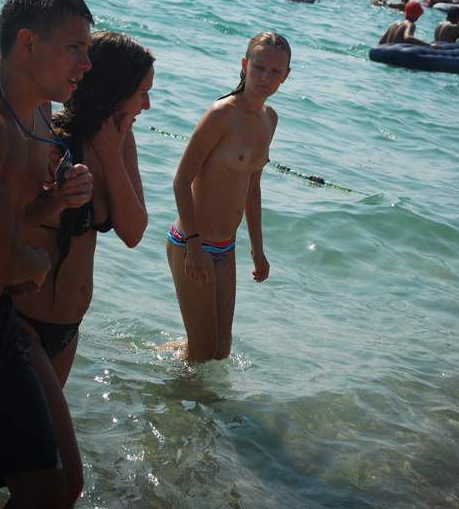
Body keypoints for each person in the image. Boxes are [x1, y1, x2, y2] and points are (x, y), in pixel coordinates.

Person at [0, 0, 94, 507]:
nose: (86, 64)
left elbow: (12, 219)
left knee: (53, 487)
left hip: (4, 317)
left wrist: (56, 200)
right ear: (28, 43)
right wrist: (30, 263)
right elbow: (7, 256)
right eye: (75, 48)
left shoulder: (36, 118)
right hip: (9, 315)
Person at [15, 30, 153, 388]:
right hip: (22, 320)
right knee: (47, 424)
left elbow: (134, 232)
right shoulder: (50, 141)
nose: (148, 105)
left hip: (68, 330)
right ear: (115, 90)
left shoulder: (122, 141)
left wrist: (110, 155)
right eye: (142, 93)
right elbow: (16, 220)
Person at [166, 31, 290, 362]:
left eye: (275, 72)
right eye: (259, 68)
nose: (266, 78)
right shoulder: (221, 114)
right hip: (192, 242)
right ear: (245, 65)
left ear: (286, 76)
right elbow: (181, 181)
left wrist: (258, 249)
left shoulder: (269, 119)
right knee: (203, 350)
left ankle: (160, 361)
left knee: (221, 349)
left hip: (225, 247)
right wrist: (193, 245)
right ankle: (175, 392)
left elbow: (253, 187)